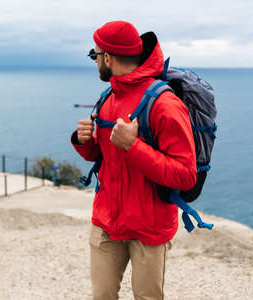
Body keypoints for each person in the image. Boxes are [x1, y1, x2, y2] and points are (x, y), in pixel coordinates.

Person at [71, 21, 197, 300]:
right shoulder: (108, 97)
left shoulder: (165, 104)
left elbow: (186, 175)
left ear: (107, 57)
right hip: (107, 221)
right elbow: (102, 156)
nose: (95, 63)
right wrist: (82, 141)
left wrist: (133, 146)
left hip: (148, 228)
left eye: (95, 56)